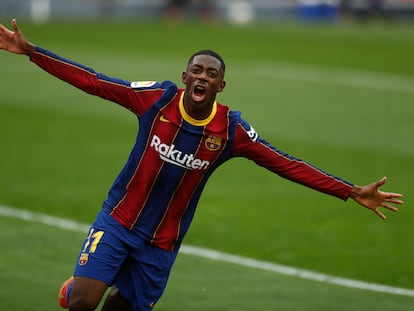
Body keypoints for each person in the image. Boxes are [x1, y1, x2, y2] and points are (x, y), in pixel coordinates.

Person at [0, 19, 404, 311]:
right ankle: (77, 288)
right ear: (184, 76)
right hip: (118, 222)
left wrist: (350, 191)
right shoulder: (156, 100)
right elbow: (95, 81)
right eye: (196, 69)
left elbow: (286, 163)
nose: (203, 76)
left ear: (220, 86)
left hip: (162, 243)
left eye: (211, 74)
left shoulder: (230, 131)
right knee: (83, 303)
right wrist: (33, 52)